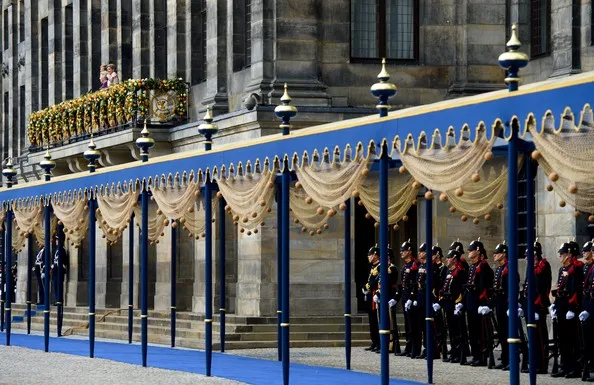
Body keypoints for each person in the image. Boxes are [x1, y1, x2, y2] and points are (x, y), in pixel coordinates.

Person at [550, 241, 584, 378]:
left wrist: (571, 308)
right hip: (561, 305)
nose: (560, 257)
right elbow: (560, 289)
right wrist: (555, 305)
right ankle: (564, 366)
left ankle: (574, 368)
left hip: (570, 308)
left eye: (562, 254)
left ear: (569, 254)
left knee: (572, 340)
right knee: (562, 339)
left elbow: (575, 290)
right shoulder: (562, 269)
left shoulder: (575, 269)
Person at [461, 238, 494, 367]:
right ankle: (475, 355)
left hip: (479, 303)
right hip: (471, 302)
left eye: (472, 250)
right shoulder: (473, 266)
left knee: (480, 332)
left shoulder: (483, 266)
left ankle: (481, 356)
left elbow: (484, 286)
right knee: (472, 331)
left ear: (478, 251)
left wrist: (484, 303)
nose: (469, 251)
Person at [437, 246, 467, 363]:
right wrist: (441, 301)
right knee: (451, 330)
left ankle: (460, 353)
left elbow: (462, 289)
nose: (447, 260)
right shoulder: (448, 271)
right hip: (448, 303)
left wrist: (459, 303)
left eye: (449, 258)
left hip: (455, 303)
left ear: (454, 259)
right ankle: (454, 352)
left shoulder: (460, 272)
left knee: (458, 330)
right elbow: (444, 287)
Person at [398, 239, 421, 358]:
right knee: (407, 324)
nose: (401, 252)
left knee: (414, 325)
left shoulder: (414, 265)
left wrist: (412, 297)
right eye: (401, 251)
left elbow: (415, 283)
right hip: (405, 295)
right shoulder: (406, 265)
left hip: (412, 297)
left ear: (409, 251)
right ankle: (408, 346)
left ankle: (415, 348)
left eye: (404, 250)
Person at [492, 242, 510, 370]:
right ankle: (504, 358)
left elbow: (511, 287)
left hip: (506, 304)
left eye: (497, 253)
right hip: (499, 303)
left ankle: (509, 359)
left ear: (503, 254)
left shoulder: (508, 268)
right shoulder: (499, 268)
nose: (494, 255)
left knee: (508, 333)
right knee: (502, 333)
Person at [580, 240, 594, 380]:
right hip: (587, 304)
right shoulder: (587, 267)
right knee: (587, 339)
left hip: (591, 306)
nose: (584, 254)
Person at [363, 245, 380, 352]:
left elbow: (376, 281)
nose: (368, 257)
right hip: (371, 296)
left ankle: (379, 343)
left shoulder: (380, 266)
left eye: (370, 255)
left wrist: (368, 286)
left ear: (375, 255)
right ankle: (374, 342)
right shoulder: (373, 267)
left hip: (376, 296)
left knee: (376, 321)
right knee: (372, 321)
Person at [51, 235, 68, 306]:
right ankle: (57, 299)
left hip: (59, 269)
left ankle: (59, 300)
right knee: (55, 285)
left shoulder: (62, 249)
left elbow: (62, 260)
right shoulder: (57, 249)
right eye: (56, 240)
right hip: (56, 269)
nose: (56, 241)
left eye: (57, 240)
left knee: (59, 285)